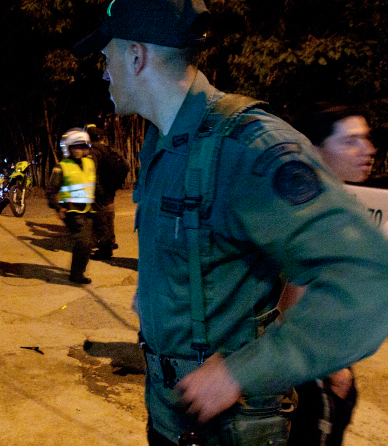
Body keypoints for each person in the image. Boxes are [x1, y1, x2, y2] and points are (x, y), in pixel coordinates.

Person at [73, 1, 388, 445]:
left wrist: (242, 372)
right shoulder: (161, 143)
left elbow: (370, 280)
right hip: (171, 416)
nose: (104, 73)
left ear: (137, 56)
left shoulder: (246, 146)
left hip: (233, 431)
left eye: (106, 57)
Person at [280, 105, 377, 446]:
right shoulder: (312, 211)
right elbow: (291, 303)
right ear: (316, 149)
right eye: (351, 141)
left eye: (366, 139)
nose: (368, 149)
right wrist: (332, 371)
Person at [46, 128, 97, 284]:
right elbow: (51, 191)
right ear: (68, 148)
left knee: (88, 243)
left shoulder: (90, 163)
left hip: (88, 209)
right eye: (75, 147)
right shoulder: (61, 167)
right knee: (84, 242)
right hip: (71, 210)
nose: (78, 150)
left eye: (81, 147)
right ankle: (76, 274)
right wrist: (57, 207)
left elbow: (94, 185)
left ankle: (78, 271)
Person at [85, 124, 130, 260]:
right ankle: (111, 241)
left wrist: (97, 190)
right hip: (110, 190)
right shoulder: (111, 149)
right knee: (109, 216)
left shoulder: (93, 152)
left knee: (100, 219)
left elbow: (91, 174)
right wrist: (115, 185)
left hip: (99, 191)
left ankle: (105, 250)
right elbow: (126, 166)